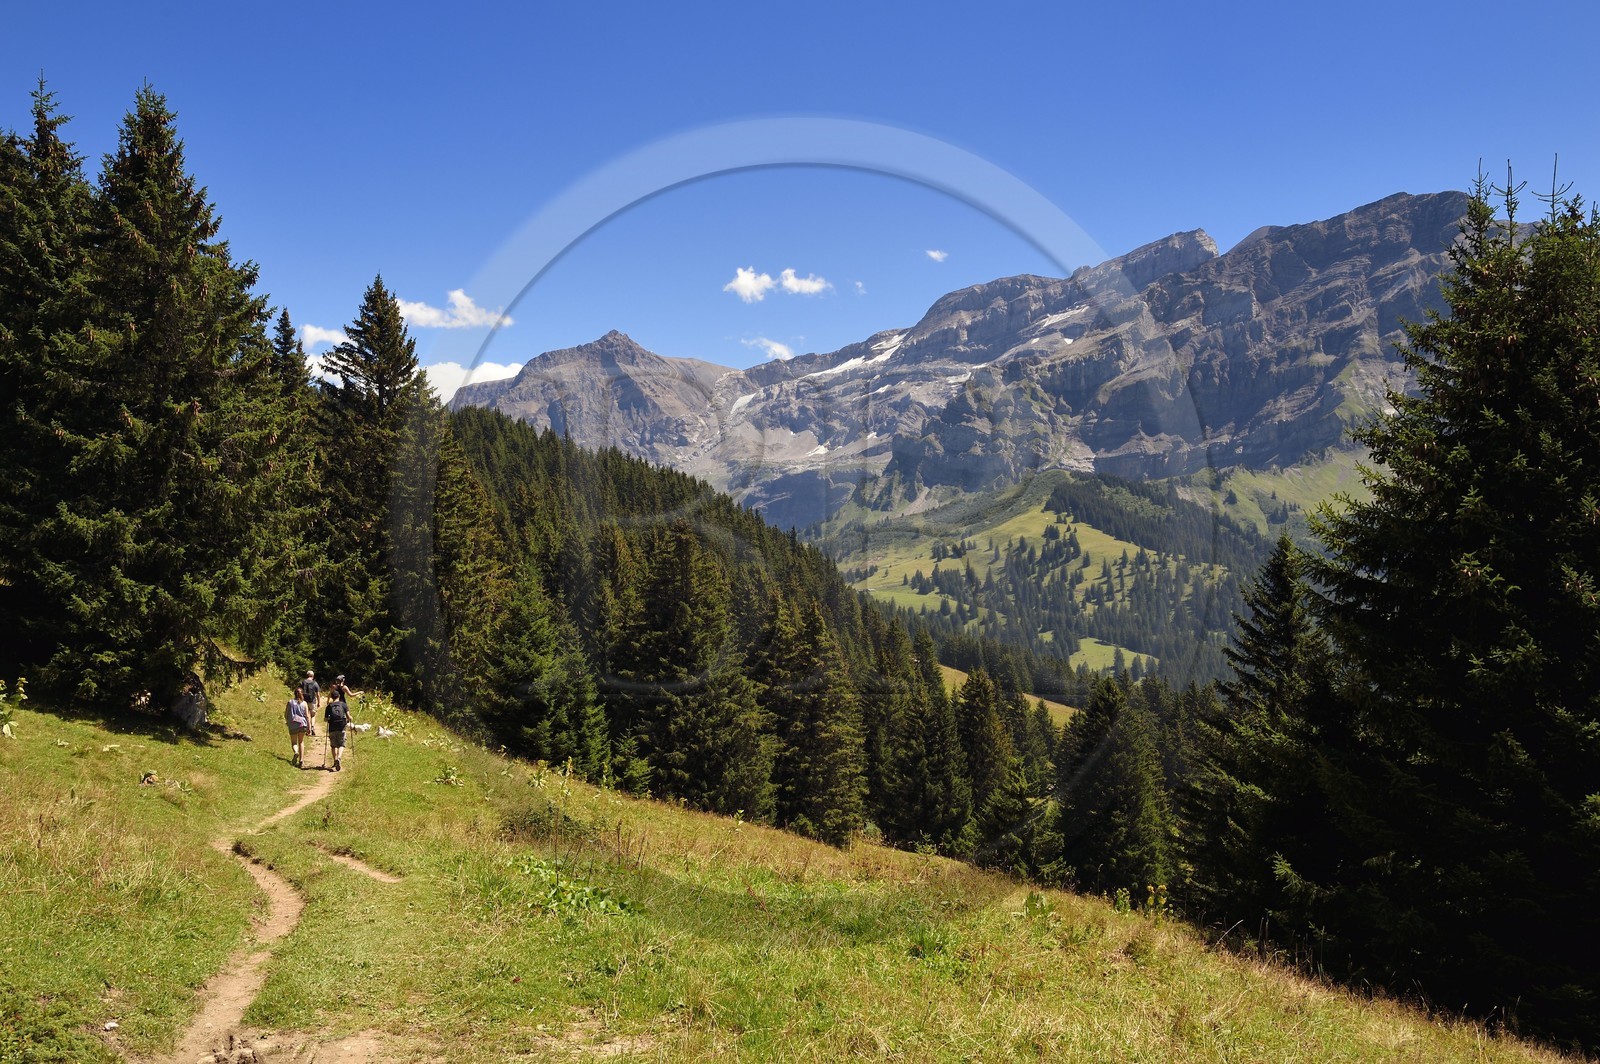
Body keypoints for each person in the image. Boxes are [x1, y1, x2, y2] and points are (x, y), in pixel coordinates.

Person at [285, 685, 310, 767]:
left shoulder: (290, 702)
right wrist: (309, 727)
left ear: (294, 694)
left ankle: (296, 752)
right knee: (301, 742)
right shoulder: (304, 703)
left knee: (294, 742)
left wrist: (287, 721)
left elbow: (286, 714)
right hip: (302, 724)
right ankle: (301, 760)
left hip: (293, 724)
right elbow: (307, 715)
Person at [325, 694, 351, 771]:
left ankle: (335, 761)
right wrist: (350, 719)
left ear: (332, 697)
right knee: (342, 744)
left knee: (333, 745)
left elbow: (325, 719)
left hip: (332, 727)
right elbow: (349, 716)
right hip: (341, 726)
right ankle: (339, 757)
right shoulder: (343, 704)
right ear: (339, 696)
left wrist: (329, 719)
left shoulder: (329, 706)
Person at [302, 670, 320, 736]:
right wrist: (319, 702)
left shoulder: (303, 682)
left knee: (307, 715)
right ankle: (312, 727)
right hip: (312, 701)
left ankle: (308, 729)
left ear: (307, 675)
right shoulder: (315, 683)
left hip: (304, 701)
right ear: (313, 676)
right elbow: (318, 694)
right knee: (313, 715)